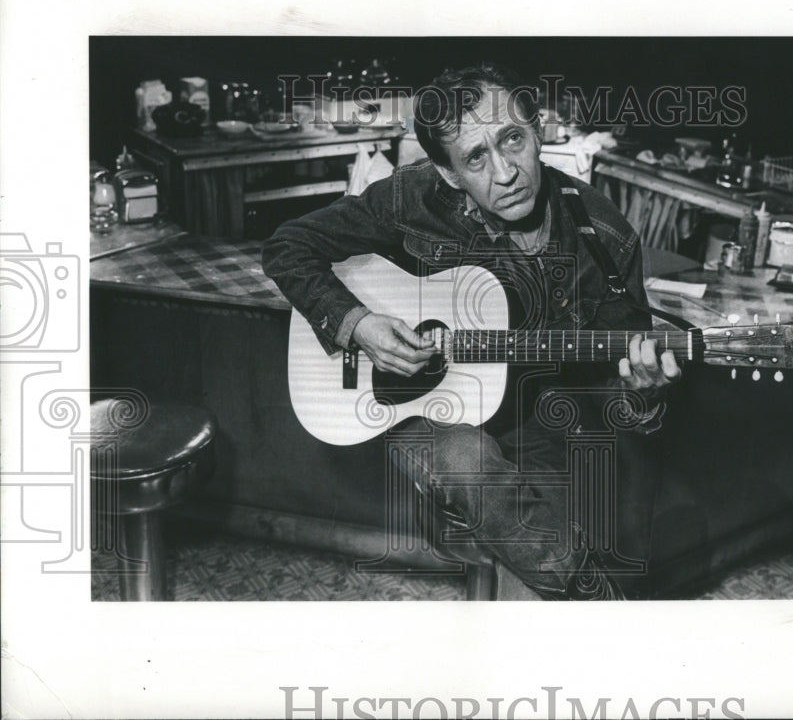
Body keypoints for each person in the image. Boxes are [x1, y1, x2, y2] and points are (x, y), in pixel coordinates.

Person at [262, 62, 680, 599]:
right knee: (469, 463)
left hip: (537, 417)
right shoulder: (410, 198)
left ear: (538, 132)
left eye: (513, 140)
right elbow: (287, 246)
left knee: (532, 582)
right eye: (476, 158)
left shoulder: (603, 234)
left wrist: (641, 394)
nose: (506, 172)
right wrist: (359, 324)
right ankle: (591, 593)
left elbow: (614, 392)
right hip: (423, 405)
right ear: (450, 175)